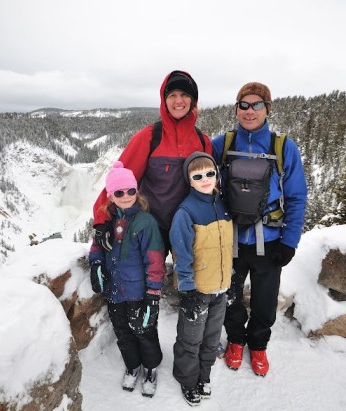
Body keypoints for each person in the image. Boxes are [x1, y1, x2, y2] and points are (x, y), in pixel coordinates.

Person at [211, 82, 308, 377]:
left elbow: (296, 196)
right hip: (231, 240)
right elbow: (200, 180)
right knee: (230, 297)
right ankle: (236, 341)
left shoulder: (282, 147)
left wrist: (290, 241)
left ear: (267, 109)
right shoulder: (223, 144)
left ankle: (258, 345)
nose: (249, 111)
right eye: (244, 105)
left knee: (265, 302)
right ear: (237, 109)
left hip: (270, 240)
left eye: (256, 105)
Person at [93, 70, 212, 255]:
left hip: (189, 227)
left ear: (193, 100)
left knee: (190, 283)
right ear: (164, 101)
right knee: (147, 281)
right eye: (172, 95)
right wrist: (101, 221)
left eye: (185, 95)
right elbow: (119, 179)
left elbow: (211, 187)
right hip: (152, 227)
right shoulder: (149, 138)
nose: (178, 101)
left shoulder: (202, 141)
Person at [88, 160, 166, 398]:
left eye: (131, 190)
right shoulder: (108, 222)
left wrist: (153, 296)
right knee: (123, 331)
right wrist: (96, 263)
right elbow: (97, 245)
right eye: (119, 192)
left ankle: (150, 368)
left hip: (138, 292)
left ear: (136, 191)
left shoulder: (145, 223)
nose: (126, 196)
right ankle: (133, 365)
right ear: (111, 196)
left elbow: (155, 262)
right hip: (115, 291)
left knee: (144, 330)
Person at [169, 152, 233, 406]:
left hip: (221, 287)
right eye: (198, 176)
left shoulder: (223, 204)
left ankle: (203, 375)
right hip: (198, 288)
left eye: (210, 173)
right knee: (190, 338)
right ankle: (187, 379)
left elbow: (227, 246)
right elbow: (181, 253)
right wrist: (187, 290)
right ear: (190, 180)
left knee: (212, 337)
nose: (205, 179)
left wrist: (230, 277)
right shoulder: (185, 212)